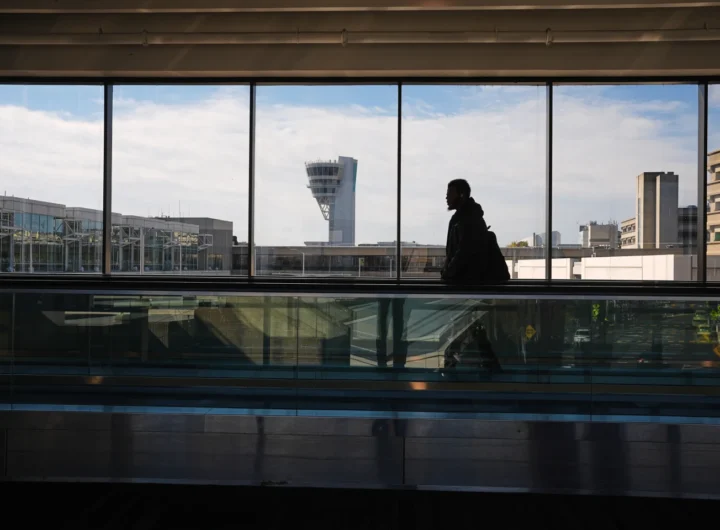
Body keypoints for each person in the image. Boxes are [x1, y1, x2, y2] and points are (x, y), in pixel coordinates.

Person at [441, 179, 509, 285]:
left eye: (450, 194)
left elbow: (463, 253)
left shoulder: (467, 219)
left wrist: (447, 273)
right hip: (469, 282)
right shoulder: (466, 217)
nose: (446, 197)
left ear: (461, 195)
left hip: (468, 283)